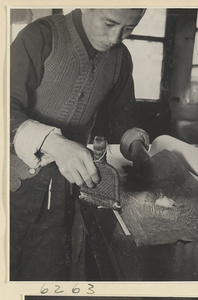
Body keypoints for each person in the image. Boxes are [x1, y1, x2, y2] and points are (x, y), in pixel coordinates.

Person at [10, 8, 150, 281]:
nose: (115, 38)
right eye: (109, 23)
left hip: (62, 198)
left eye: (129, 29)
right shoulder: (40, 36)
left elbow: (120, 120)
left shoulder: (120, 59)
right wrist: (55, 143)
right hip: (11, 190)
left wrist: (136, 146)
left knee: (46, 280)